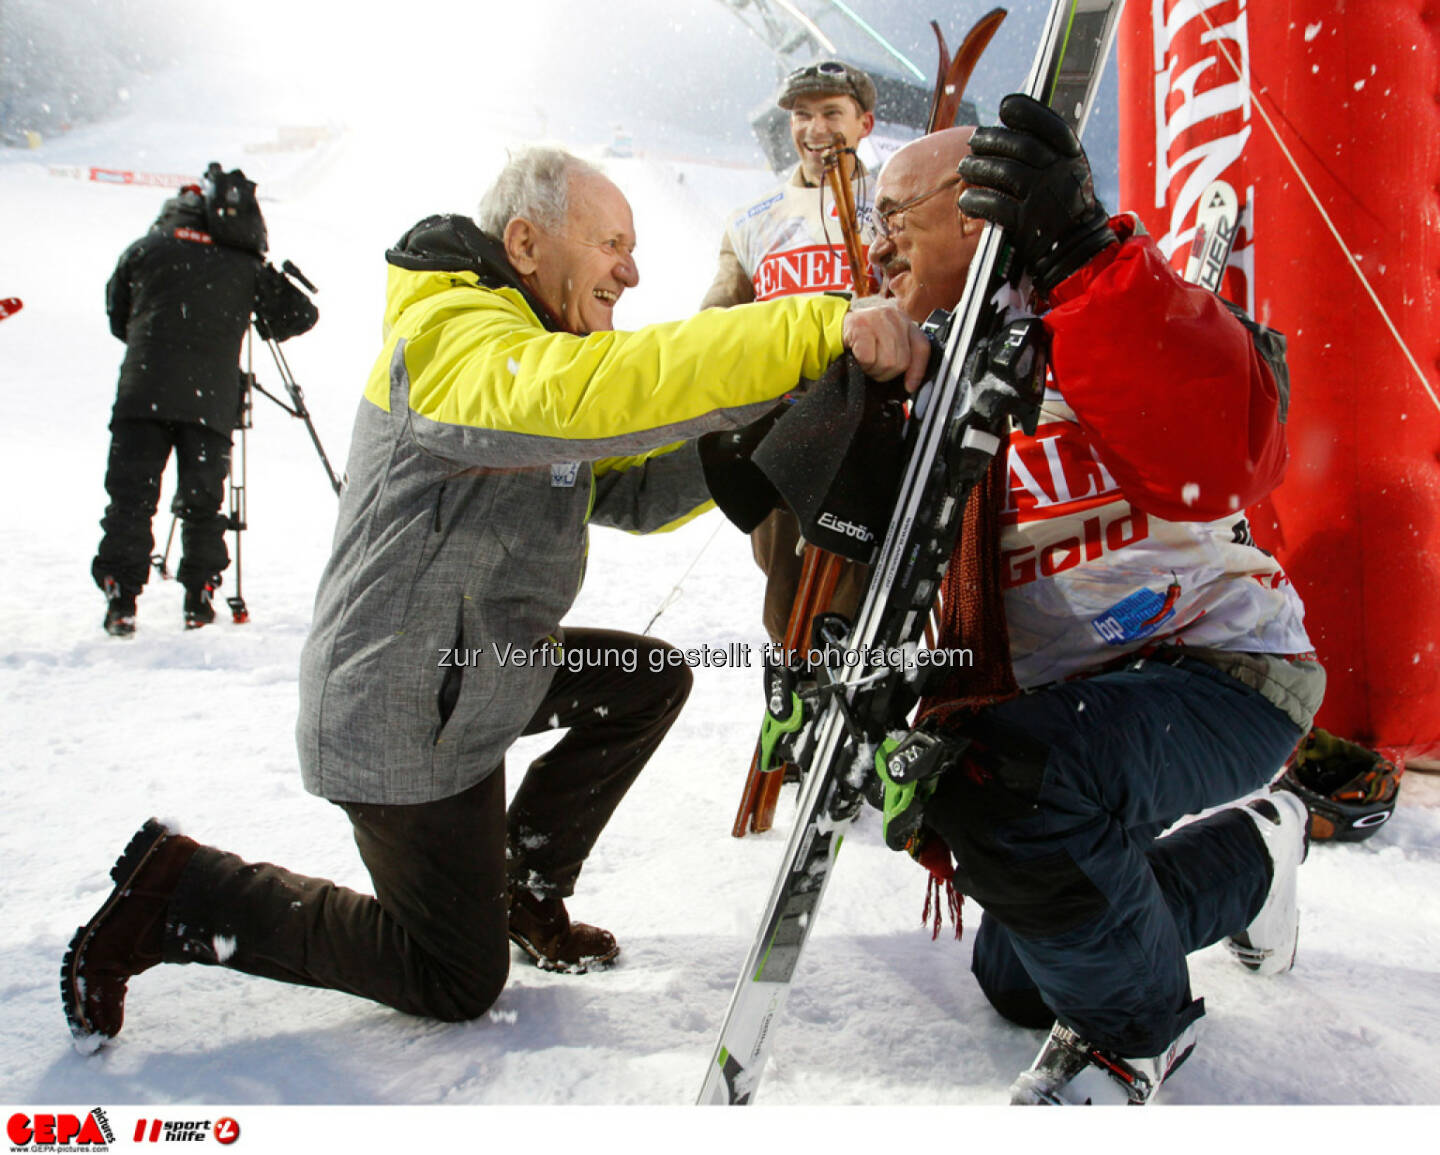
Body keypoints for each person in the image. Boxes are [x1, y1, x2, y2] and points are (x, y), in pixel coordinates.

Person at [61, 147, 930, 1048]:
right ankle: (186, 889)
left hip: (481, 667)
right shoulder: (452, 337)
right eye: (611, 244)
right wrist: (808, 330)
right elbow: (578, 400)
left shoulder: (533, 355)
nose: (632, 269)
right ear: (523, 241)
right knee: (452, 975)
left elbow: (626, 483)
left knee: (644, 680)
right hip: (402, 703)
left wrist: (779, 421)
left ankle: (527, 886)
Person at [864, 107, 1324, 1104]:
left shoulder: (1106, 307)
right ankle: (1255, 856)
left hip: (1224, 672)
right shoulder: (931, 370)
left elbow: (1223, 459)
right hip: (1076, 701)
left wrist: (1077, 248)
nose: (875, 240)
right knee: (1023, 973)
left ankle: (1128, 1044)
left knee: (1007, 790)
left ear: (983, 212)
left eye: (898, 214)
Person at [93, 169, 317, 636]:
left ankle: (121, 599)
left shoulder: (145, 248)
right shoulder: (241, 262)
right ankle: (199, 597)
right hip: (210, 403)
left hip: (142, 396)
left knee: (131, 499)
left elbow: (118, 319)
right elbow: (298, 317)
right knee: (202, 502)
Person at [702, 58, 880, 645]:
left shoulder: (895, 198)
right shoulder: (752, 221)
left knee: (870, 609)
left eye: (832, 113)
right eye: (802, 115)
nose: (814, 128)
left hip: (875, 434)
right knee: (787, 610)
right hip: (782, 436)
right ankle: (794, 720)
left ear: (865, 122)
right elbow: (713, 322)